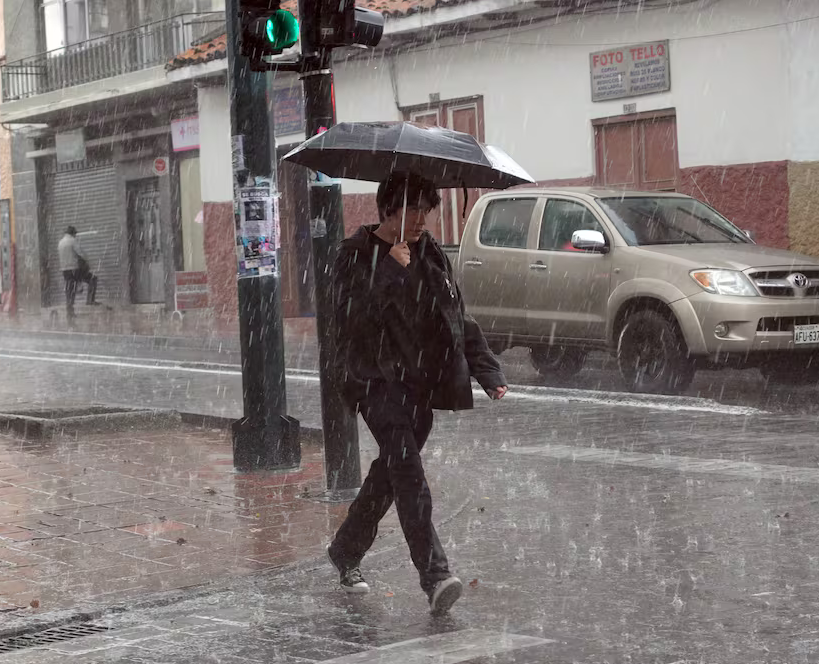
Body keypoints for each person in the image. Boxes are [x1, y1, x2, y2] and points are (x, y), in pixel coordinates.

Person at [326, 172, 508, 615]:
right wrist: (389, 269)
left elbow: (455, 315)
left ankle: (346, 549)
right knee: (408, 475)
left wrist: (486, 369)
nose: (422, 220)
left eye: (427, 211)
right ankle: (436, 577)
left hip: (420, 385)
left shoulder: (429, 252)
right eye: (414, 211)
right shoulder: (354, 255)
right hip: (375, 383)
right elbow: (349, 320)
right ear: (388, 210)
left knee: (390, 475)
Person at [58, 226, 98, 321]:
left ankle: (70, 312)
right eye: (75, 233)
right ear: (73, 233)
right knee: (93, 279)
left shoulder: (60, 242)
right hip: (75, 269)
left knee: (70, 290)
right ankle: (90, 300)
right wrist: (88, 262)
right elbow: (81, 254)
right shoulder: (72, 241)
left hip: (65, 270)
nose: (75, 235)